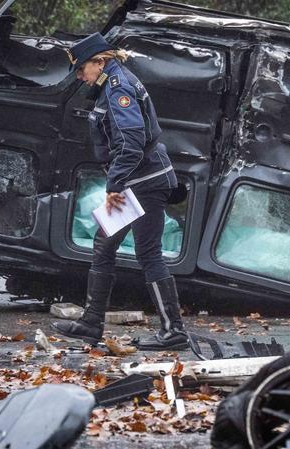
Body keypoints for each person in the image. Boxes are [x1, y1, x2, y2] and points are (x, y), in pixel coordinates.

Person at [50, 33, 187, 350]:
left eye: (83, 69)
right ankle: (92, 323)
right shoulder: (111, 83)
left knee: (142, 251)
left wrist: (114, 185)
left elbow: (132, 143)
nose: (81, 77)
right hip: (140, 181)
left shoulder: (118, 86)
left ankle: (171, 330)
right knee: (107, 243)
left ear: (100, 61)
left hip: (143, 182)